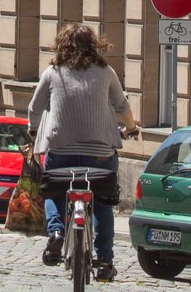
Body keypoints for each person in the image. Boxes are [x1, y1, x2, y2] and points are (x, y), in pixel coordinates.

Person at [27, 24, 140, 282]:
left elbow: (34, 108)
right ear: (95, 45)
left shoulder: (52, 73)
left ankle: (55, 232)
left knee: (53, 189)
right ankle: (105, 260)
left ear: (62, 45)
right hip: (99, 154)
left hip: (61, 150)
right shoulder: (106, 72)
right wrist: (131, 128)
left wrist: (34, 131)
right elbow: (122, 107)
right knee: (103, 203)